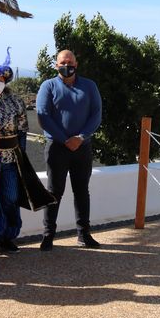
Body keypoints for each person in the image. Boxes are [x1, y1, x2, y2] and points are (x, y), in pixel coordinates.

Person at [0, 50, 55, 255]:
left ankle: (8, 236)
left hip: (10, 159)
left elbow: (22, 130)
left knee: (10, 197)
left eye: (0, 79)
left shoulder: (16, 102)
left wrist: (20, 157)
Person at [35, 49, 103, 251]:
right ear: (56, 65)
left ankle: (84, 234)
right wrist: (65, 139)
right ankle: (48, 236)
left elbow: (96, 114)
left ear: (76, 64)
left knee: (82, 191)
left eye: (70, 62)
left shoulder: (89, 86)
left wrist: (80, 138)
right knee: (54, 192)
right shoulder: (48, 86)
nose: (67, 66)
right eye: (63, 62)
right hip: (57, 148)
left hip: (83, 147)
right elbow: (43, 115)